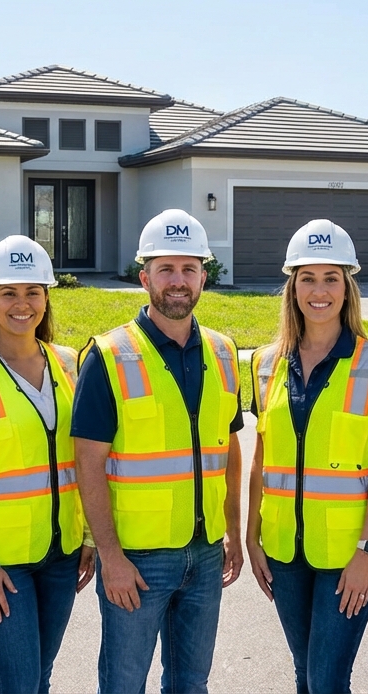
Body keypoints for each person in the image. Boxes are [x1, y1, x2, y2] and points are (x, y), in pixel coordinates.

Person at [71, 208, 245, 694]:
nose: (178, 281)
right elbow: (88, 463)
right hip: (137, 558)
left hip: (206, 553)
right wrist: (110, 555)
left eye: (189, 269)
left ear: (204, 278)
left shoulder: (225, 352)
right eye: (166, 269)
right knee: (124, 683)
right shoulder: (108, 355)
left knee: (192, 683)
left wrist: (230, 530)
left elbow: (229, 450)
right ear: (143, 276)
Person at [245, 220, 368, 694]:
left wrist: (366, 553)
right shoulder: (266, 362)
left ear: (347, 287)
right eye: (307, 279)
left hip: (348, 555)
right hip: (284, 549)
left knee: (326, 678)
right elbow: (262, 458)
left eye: (331, 278)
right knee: (305, 674)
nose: (319, 291)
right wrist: (251, 537)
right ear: (292, 287)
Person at [0, 235, 96, 693]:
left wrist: (86, 536)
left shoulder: (69, 364)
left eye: (32, 292)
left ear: (47, 297)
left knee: (38, 679)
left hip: (61, 554)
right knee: (20, 683)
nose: (21, 304)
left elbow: (81, 460)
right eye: (8, 292)